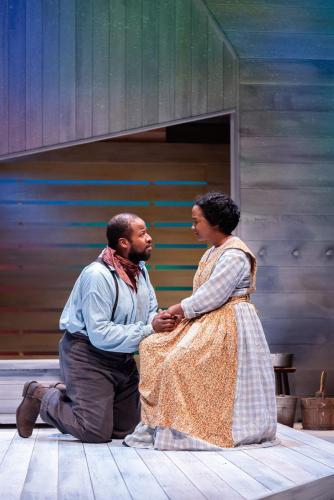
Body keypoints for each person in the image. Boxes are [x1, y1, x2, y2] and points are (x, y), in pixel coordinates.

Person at [125, 192, 277, 450]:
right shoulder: (211, 253)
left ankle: (190, 428)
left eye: (197, 221)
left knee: (177, 361)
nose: (193, 226)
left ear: (215, 223)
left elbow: (213, 295)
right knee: (153, 347)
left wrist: (178, 308)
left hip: (229, 322)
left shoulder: (235, 254)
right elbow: (204, 297)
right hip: (208, 319)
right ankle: (156, 424)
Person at [16, 213, 176, 443]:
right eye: (142, 234)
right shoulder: (97, 276)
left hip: (121, 356)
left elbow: (149, 310)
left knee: (127, 431)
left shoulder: (139, 271)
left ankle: (71, 393)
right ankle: (40, 394)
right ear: (124, 242)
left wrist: (161, 319)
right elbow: (100, 334)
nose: (149, 238)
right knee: (94, 432)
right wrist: (150, 328)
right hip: (88, 355)